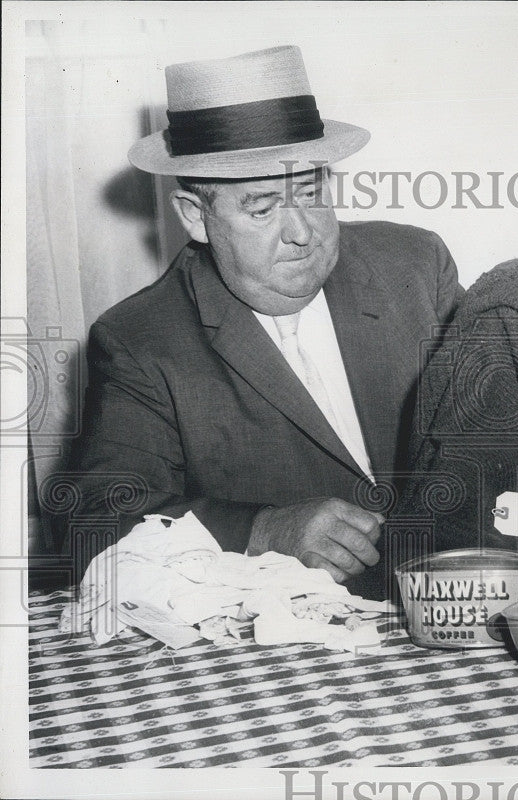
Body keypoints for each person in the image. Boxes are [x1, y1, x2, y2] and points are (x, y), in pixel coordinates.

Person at [67, 46, 462, 594]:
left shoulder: (415, 264)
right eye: (261, 208)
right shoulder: (140, 339)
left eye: (312, 191)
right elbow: (95, 523)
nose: (303, 231)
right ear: (194, 216)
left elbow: (504, 434)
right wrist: (261, 530)